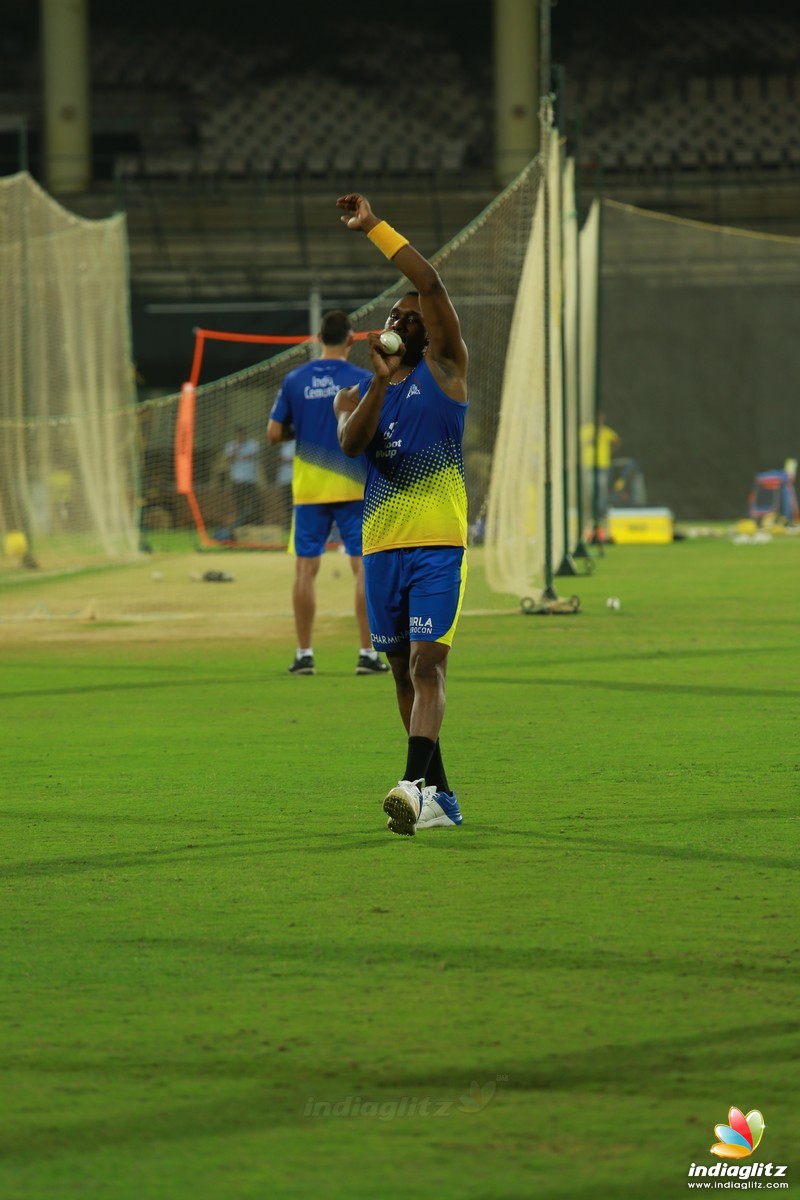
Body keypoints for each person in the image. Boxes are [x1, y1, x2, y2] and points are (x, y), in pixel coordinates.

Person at [333, 192, 468, 836]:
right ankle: (438, 795)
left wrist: (373, 228)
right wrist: (380, 384)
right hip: (381, 548)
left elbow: (429, 281)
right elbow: (350, 448)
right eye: (394, 314)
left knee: (426, 664)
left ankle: (412, 785)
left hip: (438, 545)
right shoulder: (369, 391)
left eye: (410, 316)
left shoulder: (446, 368)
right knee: (398, 671)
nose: (401, 318)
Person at [267, 309, 390, 678]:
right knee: (362, 568)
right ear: (350, 340)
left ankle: (304, 654)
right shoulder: (362, 379)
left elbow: (274, 433)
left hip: (309, 489)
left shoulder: (294, 379)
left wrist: (300, 431)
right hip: (354, 485)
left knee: (305, 569)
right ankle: (367, 654)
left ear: (319, 338)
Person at [580, 411, 622, 520]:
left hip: (603, 465)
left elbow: (617, 440)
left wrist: (610, 451)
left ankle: (601, 512)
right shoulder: (586, 430)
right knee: (589, 489)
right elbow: (584, 443)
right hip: (589, 464)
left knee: (602, 489)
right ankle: (588, 512)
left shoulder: (606, 431)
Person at [224, 426, 261, 528]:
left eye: (242, 434)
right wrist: (237, 448)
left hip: (250, 479)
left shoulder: (253, 444)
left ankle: (256, 523)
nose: (240, 436)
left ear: (245, 434)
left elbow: (252, 455)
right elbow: (230, 458)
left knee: (255, 502)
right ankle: (241, 524)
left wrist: (240, 456)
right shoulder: (231, 445)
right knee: (239, 503)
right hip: (237, 479)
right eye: (238, 434)